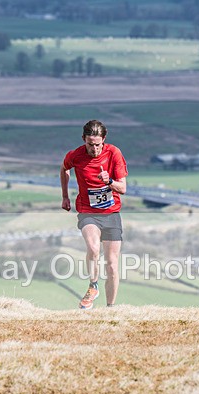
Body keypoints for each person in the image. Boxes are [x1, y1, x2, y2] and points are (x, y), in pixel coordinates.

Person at [60, 120, 128, 310]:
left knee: (113, 265)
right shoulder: (76, 155)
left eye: (98, 144)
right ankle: (93, 285)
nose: (94, 149)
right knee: (93, 247)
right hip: (88, 212)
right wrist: (65, 196)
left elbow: (123, 188)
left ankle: (110, 308)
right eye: (90, 144)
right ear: (84, 140)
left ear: (104, 140)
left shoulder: (114, 153)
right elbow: (64, 168)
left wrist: (110, 181)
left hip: (111, 213)